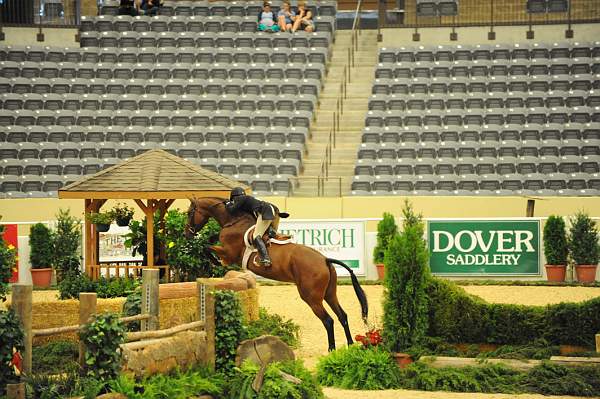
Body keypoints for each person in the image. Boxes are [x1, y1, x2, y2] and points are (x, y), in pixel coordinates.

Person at [225, 187, 280, 267]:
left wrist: (228, 203)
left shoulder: (241, 198)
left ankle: (265, 258)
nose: (234, 202)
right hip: (267, 209)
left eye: (233, 200)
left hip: (264, 210)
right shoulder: (246, 200)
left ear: (235, 196)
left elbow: (232, 210)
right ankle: (270, 232)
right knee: (261, 231)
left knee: (256, 236)